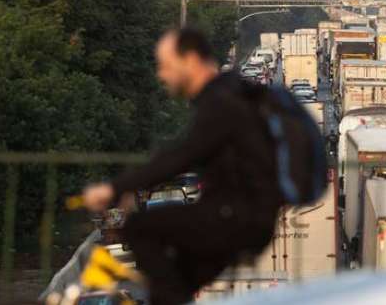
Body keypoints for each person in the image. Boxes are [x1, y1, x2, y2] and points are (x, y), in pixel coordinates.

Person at [82, 28, 282, 304]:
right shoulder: (232, 91)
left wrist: (114, 188)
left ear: (190, 61)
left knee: (140, 227)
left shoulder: (220, 101)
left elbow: (181, 156)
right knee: (181, 278)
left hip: (235, 218)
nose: (161, 75)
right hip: (247, 217)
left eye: (166, 66)